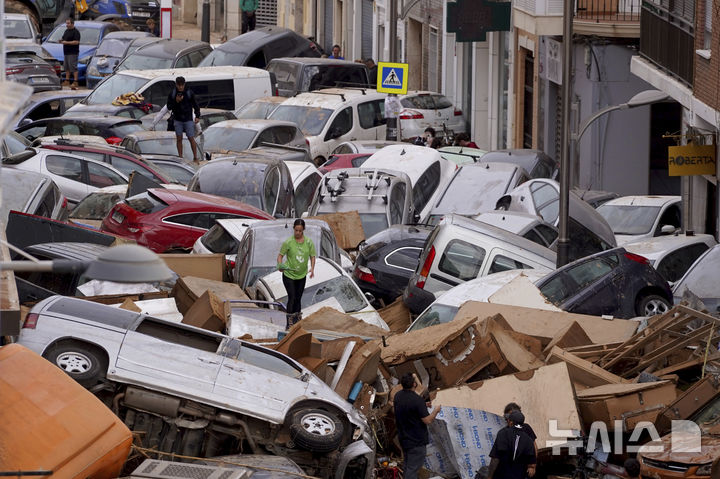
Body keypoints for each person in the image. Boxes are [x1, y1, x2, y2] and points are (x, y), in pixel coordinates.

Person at [394, 373, 441, 479]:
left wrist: (423, 406)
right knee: (412, 469)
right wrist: (436, 411)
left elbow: (407, 407)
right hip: (416, 441)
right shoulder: (417, 400)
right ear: (414, 384)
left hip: (404, 439)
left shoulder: (398, 396)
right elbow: (428, 420)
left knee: (407, 465)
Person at [277, 219, 316, 328]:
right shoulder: (288, 242)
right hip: (289, 275)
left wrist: (312, 268)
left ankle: (297, 320)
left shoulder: (308, 242)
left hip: (301, 275)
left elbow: (312, 256)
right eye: (296, 230)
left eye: (300, 231)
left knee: (298, 298)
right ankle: (289, 321)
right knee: (292, 297)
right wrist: (280, 265)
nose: (297, 233)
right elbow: (280, 256)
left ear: (303, 230)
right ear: (293, 229)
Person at [488, 410, 537, 479]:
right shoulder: (528, 440)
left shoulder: (503, 434)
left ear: (511, 422)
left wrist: (489, 476)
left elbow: (495, 459)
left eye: (508, 420)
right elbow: (532, 465)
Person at [166, 76, 201, 162]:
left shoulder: (189, 92)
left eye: (182, 85)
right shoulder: (173, 93)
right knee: (179, 138)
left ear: (184, 84)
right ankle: (180, 157)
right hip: (177, 119)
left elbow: (195, 104)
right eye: (179, 85)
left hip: (188, 118)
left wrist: (197, 116)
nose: (181, 87)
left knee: (191, 137)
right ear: (176, 85)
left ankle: (195, 157)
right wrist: (176, 101)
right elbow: (169, 107)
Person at [59, 18, 81, 89]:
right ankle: (67, 80)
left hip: (73, 52)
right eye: (66, 23)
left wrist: (66, 42)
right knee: (66, 67)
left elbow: (76, 42)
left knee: (73, 67)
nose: (67, 25)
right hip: (66, 52)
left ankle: (75, 81)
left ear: (72, 24)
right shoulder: (66, 31)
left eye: (68, 23)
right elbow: (64, 39)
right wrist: (61, 40)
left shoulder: (76, 32)